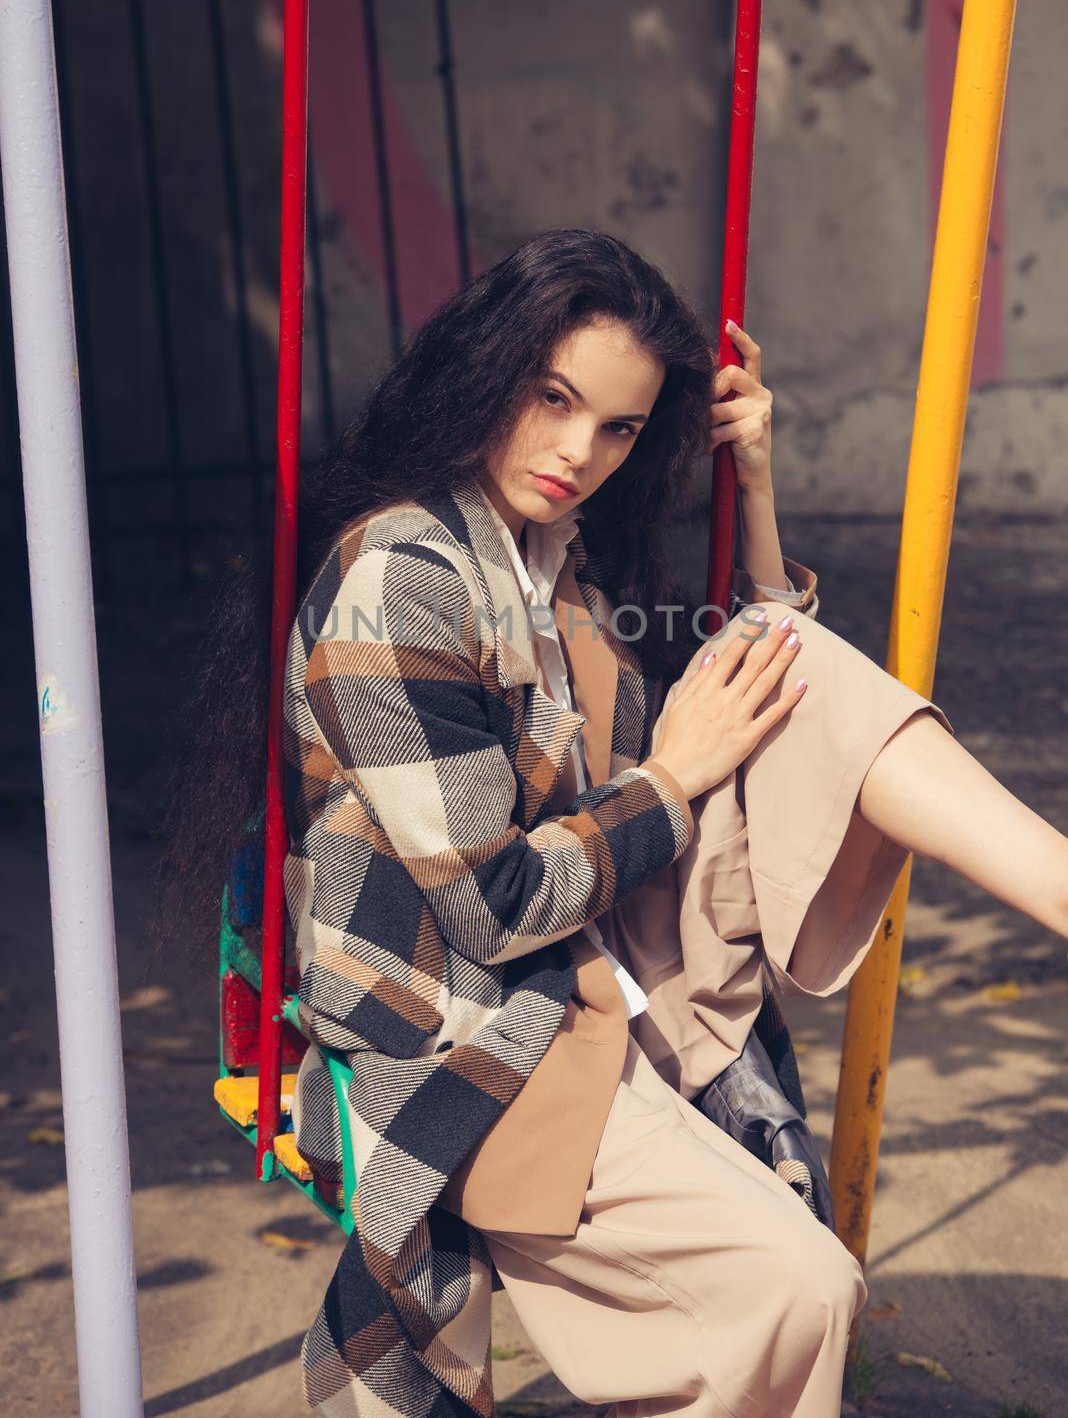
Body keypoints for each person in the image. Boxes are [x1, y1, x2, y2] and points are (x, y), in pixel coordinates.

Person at [154, 227, 1068, 1418]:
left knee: (787, 660)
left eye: (621, 428)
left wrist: (754, 490)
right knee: (799, 1288)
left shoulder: (550, 558)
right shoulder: (400, 575)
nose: (579, 452)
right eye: (553, 400)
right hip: (471, 1032)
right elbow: (486, 907)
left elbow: (747, 686)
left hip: (592, 967)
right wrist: (678, 782)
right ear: (489, 372)